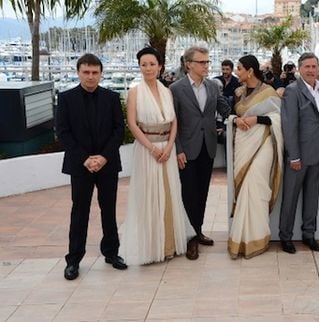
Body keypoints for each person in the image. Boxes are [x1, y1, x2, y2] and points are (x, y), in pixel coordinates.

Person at [119, 47, 194, 265]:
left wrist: (170, 146)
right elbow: (132, 124)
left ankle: (168, 244)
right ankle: (152, 247)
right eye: (144, 64)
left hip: (166, 151)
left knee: (169, 194)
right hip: (147, 150)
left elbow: (174, 122)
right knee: (149, 195)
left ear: (160, 66)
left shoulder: (166, 90)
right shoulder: (134, 92)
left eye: (152, 64)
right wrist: (152, 149)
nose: (148, 68)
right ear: (139, 66)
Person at [56, 53, 127, 280]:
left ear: (101, 74)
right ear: (78, 72)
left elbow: (119, 130)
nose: (90, 77)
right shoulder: (66, 98)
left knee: (109, 210)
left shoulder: (112, 97)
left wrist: (104, 158)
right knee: (80, 212)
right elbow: (63, 132)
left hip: (107, 164)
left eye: (95, 72)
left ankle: (111, 253)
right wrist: (85, 159)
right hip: (80, 166)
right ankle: (74, 260)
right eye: (86, 72)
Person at [170, 46, 230, 259]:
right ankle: (190, 238)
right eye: (202, 62)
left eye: (207, 61)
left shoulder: (213, 86)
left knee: (202, 193)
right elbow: (174, 121)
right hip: (187, 149)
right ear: (189, 64)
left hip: (208, 147)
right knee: (188, 194)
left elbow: (225, 108)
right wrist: (178, 149)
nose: (207, 65)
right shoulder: (176, 89)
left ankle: (197, 230)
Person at [227, 55, 284, 259]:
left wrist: (256, 119)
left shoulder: (268, 92)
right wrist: (235, 120)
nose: (236, 72)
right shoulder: (238, 92)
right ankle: (240, 239)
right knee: (244, 191)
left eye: (239, 69)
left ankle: (257, 238)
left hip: (263, 144)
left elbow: (279, 118)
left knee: (256, 186)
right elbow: (232, 115)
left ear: (250, 71)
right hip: (243, 144)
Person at [279, 53, 319, 254]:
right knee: (290, 197)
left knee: (312, 197)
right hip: (298, 156)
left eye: (314, 66)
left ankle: (309, 234)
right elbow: (289, 125)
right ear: (300, 69)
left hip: (317, 154)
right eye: (307, 66)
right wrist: (294, 156)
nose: (311, 70)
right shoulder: (293, 91)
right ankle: (286, 236)